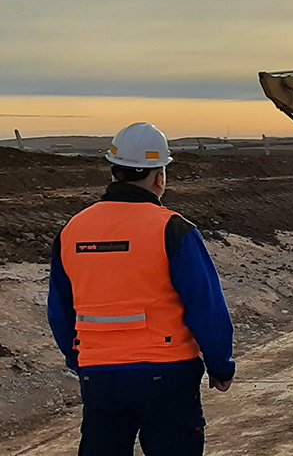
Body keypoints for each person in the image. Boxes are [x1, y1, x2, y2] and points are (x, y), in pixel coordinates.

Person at [47, 122, 236, 456]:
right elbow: (206, 306)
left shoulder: (73, 230)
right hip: (168, 374)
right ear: (159, 176)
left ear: (114, 171)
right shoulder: (173, 229)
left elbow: (60, 310)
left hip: (100, 377)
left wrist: (80, 359)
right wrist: (221, 367)